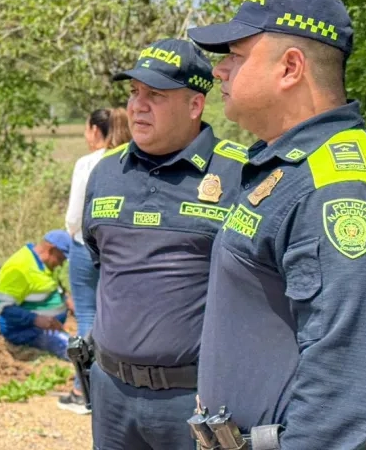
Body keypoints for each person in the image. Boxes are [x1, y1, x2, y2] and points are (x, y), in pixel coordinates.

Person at [186, 0, 366, 449]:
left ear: (290, 68)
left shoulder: (340, 186)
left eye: (235, 55)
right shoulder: (287, 163)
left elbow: (342, 379)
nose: (219, 71)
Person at [82, 38, 247, 449]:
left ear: (195, 106)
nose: (138, 105)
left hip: (195, 400)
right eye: (135, 92)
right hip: (112, 393)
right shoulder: (105, 172)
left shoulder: (239, 173)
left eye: (155, 94)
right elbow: (100, 262)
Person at [59, 107, 130, 414]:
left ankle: (82, 388)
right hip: (120, 248)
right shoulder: (132, 159)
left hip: (85, 246)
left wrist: (72, 232)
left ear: (95, 130)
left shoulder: (88, 163)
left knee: (86, 313)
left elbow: (75, 215)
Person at [0, 230, 72, 359]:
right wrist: (36, 319)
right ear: (51, 250)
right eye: (61, 258)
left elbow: (53, 288)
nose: (62, 263)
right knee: (76, 352)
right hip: (25, 331)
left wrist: (68, 301)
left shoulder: (44, 264)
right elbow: (2, 306)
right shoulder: (18, 268)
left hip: (48, 328)